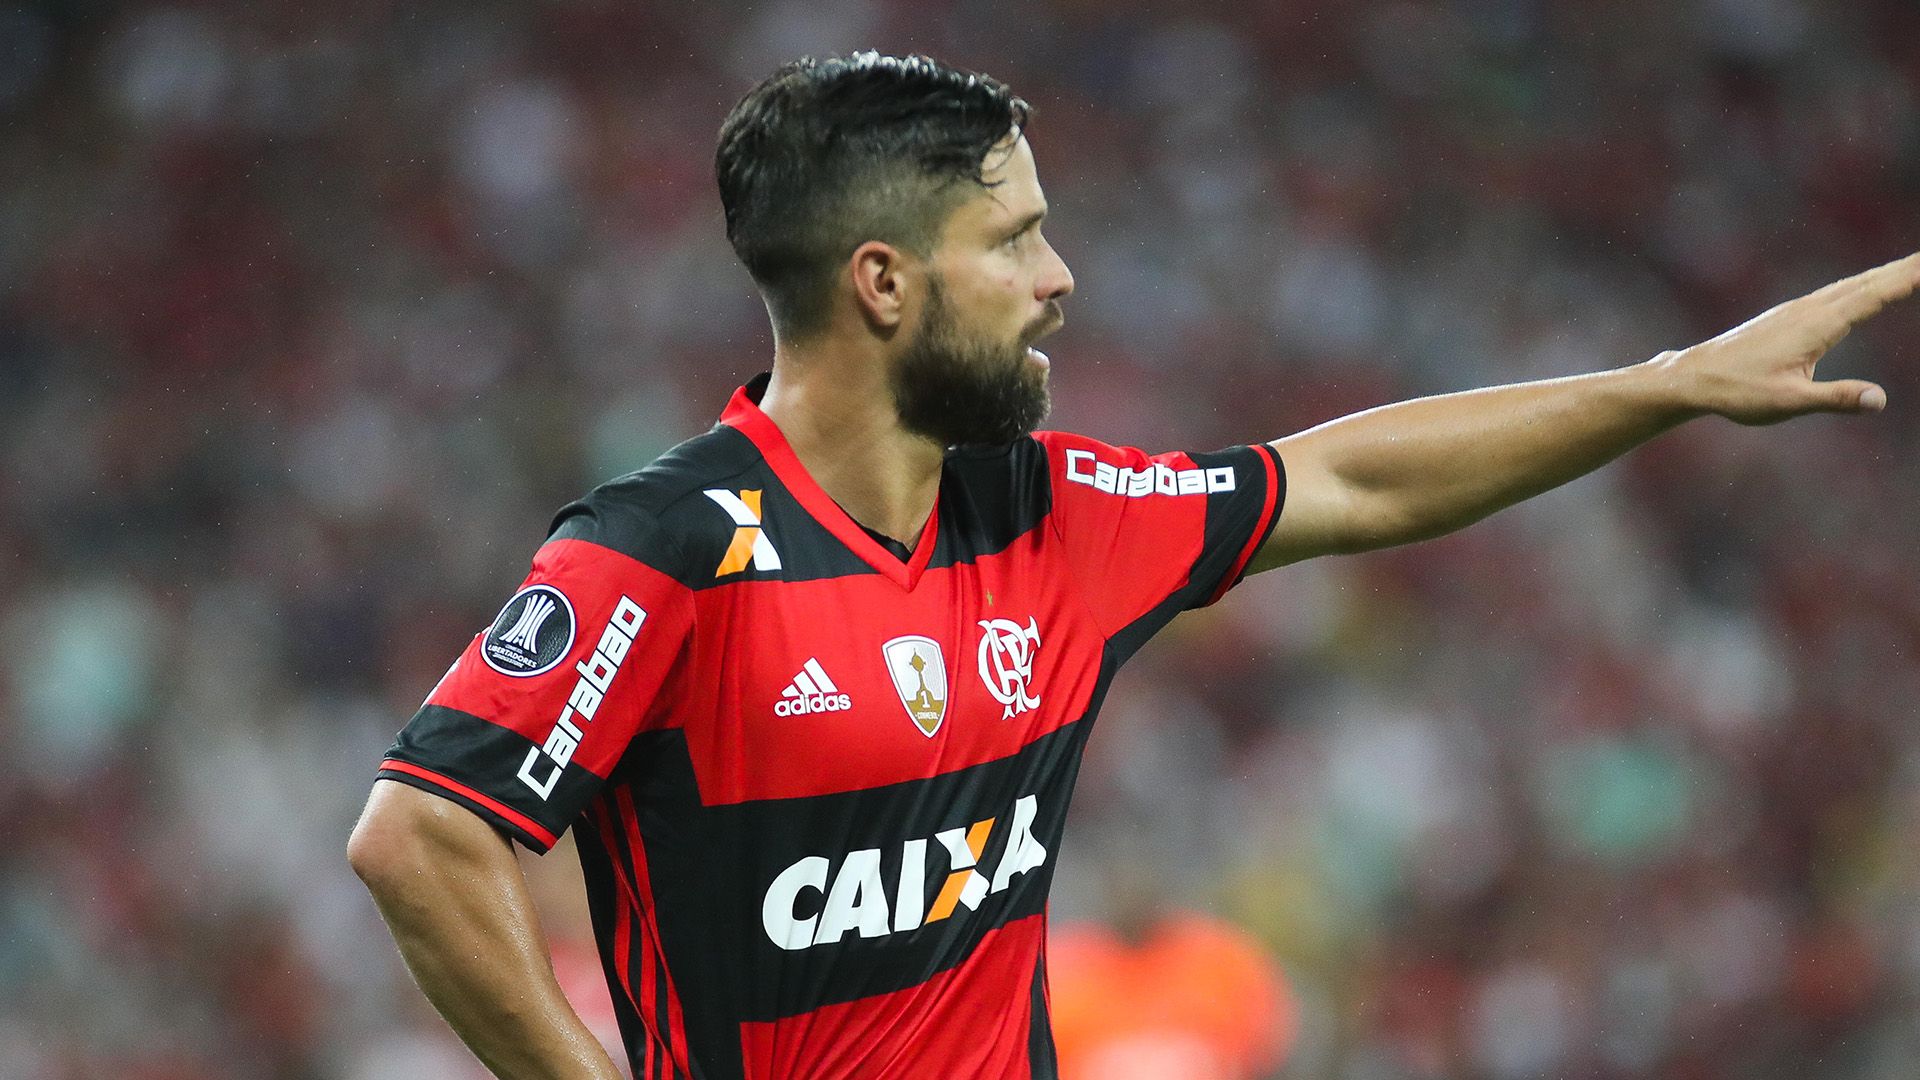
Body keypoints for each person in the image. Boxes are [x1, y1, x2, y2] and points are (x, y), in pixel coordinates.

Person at [345, 51, 1915, 1080]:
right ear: (884, 282)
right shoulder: (667, 550)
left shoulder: (1056, 511)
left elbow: (1348, 475)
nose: (1058, 277)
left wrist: (1671, 380)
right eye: (1014, 239)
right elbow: (421, 838)